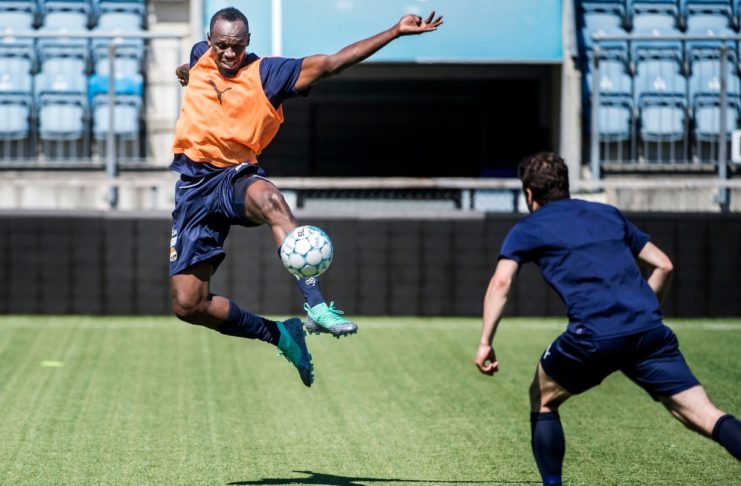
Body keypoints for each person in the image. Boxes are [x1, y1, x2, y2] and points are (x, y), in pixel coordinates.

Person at [169, 7, 443, 387]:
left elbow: (332, 63)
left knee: (271, 201)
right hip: (194, 188)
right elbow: (195, 68)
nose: (229, 54)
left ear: (248, 42)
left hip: (234, 177)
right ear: (210, 42)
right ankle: (282, 335)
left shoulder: (268, 73)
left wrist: (394, 32)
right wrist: (185, 71)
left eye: (236, 46)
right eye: (221, 46)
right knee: (189, 305)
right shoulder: (201, 55)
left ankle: (316, 306)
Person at [474, 152, 741, 485]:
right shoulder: (606, 214)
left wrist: (485, 341)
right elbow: (664, 265)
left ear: (529, 194)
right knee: (705, 414)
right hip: (648, 332)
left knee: (543, 399)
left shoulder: (528, 228)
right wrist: (643, 313)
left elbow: (501, 283)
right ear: (565, 186)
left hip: (593, 336)